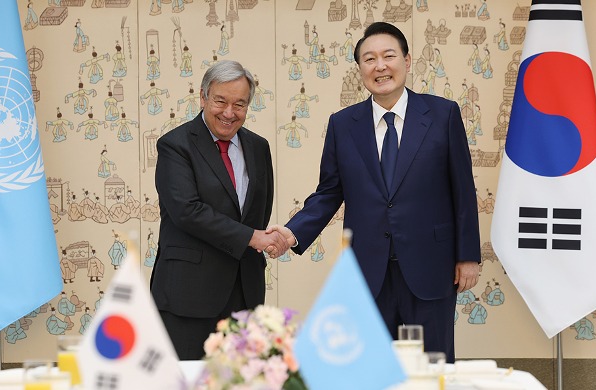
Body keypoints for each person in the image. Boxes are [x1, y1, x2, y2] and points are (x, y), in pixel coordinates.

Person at [268, 22, 480, 362]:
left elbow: (463, 190)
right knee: (370, 369)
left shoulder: (443, 115)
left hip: (431, 268)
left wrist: (468, 256)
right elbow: (328, 192)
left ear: (407, 61)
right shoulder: (343, 124)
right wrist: (292, 232)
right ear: (360, 70)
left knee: (431, 366)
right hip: (368, 272)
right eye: (369, 59)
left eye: (388, 56)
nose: (380, 66)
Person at [150, 60, 288, 360]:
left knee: (243, 379)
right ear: (203, 97)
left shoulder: (259, 147)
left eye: (239, 104)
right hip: (188, 296)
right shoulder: (175, 145)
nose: (229, 113)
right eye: (221, 101)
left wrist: (262, 237)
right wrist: (252, 238)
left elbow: (258, 211)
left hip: (244, 291)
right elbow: (187, 210)